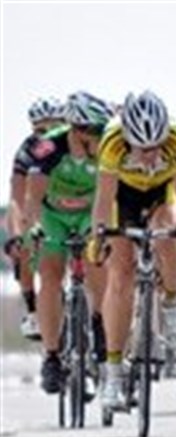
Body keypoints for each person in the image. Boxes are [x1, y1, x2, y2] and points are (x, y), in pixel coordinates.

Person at [91, 90, 176, 409]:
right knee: (120, 274)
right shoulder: (112, 142)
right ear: (128, 140)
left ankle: (172, 301)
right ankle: (113, 372)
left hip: (160, 194)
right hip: (123, 197)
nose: (150, 155)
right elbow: (103, 201)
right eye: (142, 148)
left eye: (156, 147)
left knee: (170, 232)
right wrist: (99, 237)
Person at [21, 92, 113, 394]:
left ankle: (99, 321)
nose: (100, 138)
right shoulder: (49, 146)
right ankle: (51, 356)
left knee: (98, 261)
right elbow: (33, 197)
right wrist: (34, 226)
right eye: (95, 131)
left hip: (90, 214)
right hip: (53, 215)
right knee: (49, 275)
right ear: (77, 129)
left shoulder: (105, 149)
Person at [5, 97, 67, 340]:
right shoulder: (27, 152)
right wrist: (16, 236)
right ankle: (32, 310)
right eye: (41, 130)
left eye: (55, 126)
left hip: (74, 206)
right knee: (24, 248)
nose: (48, 134)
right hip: (41, 207)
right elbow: (17, 200)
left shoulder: (75, 145)